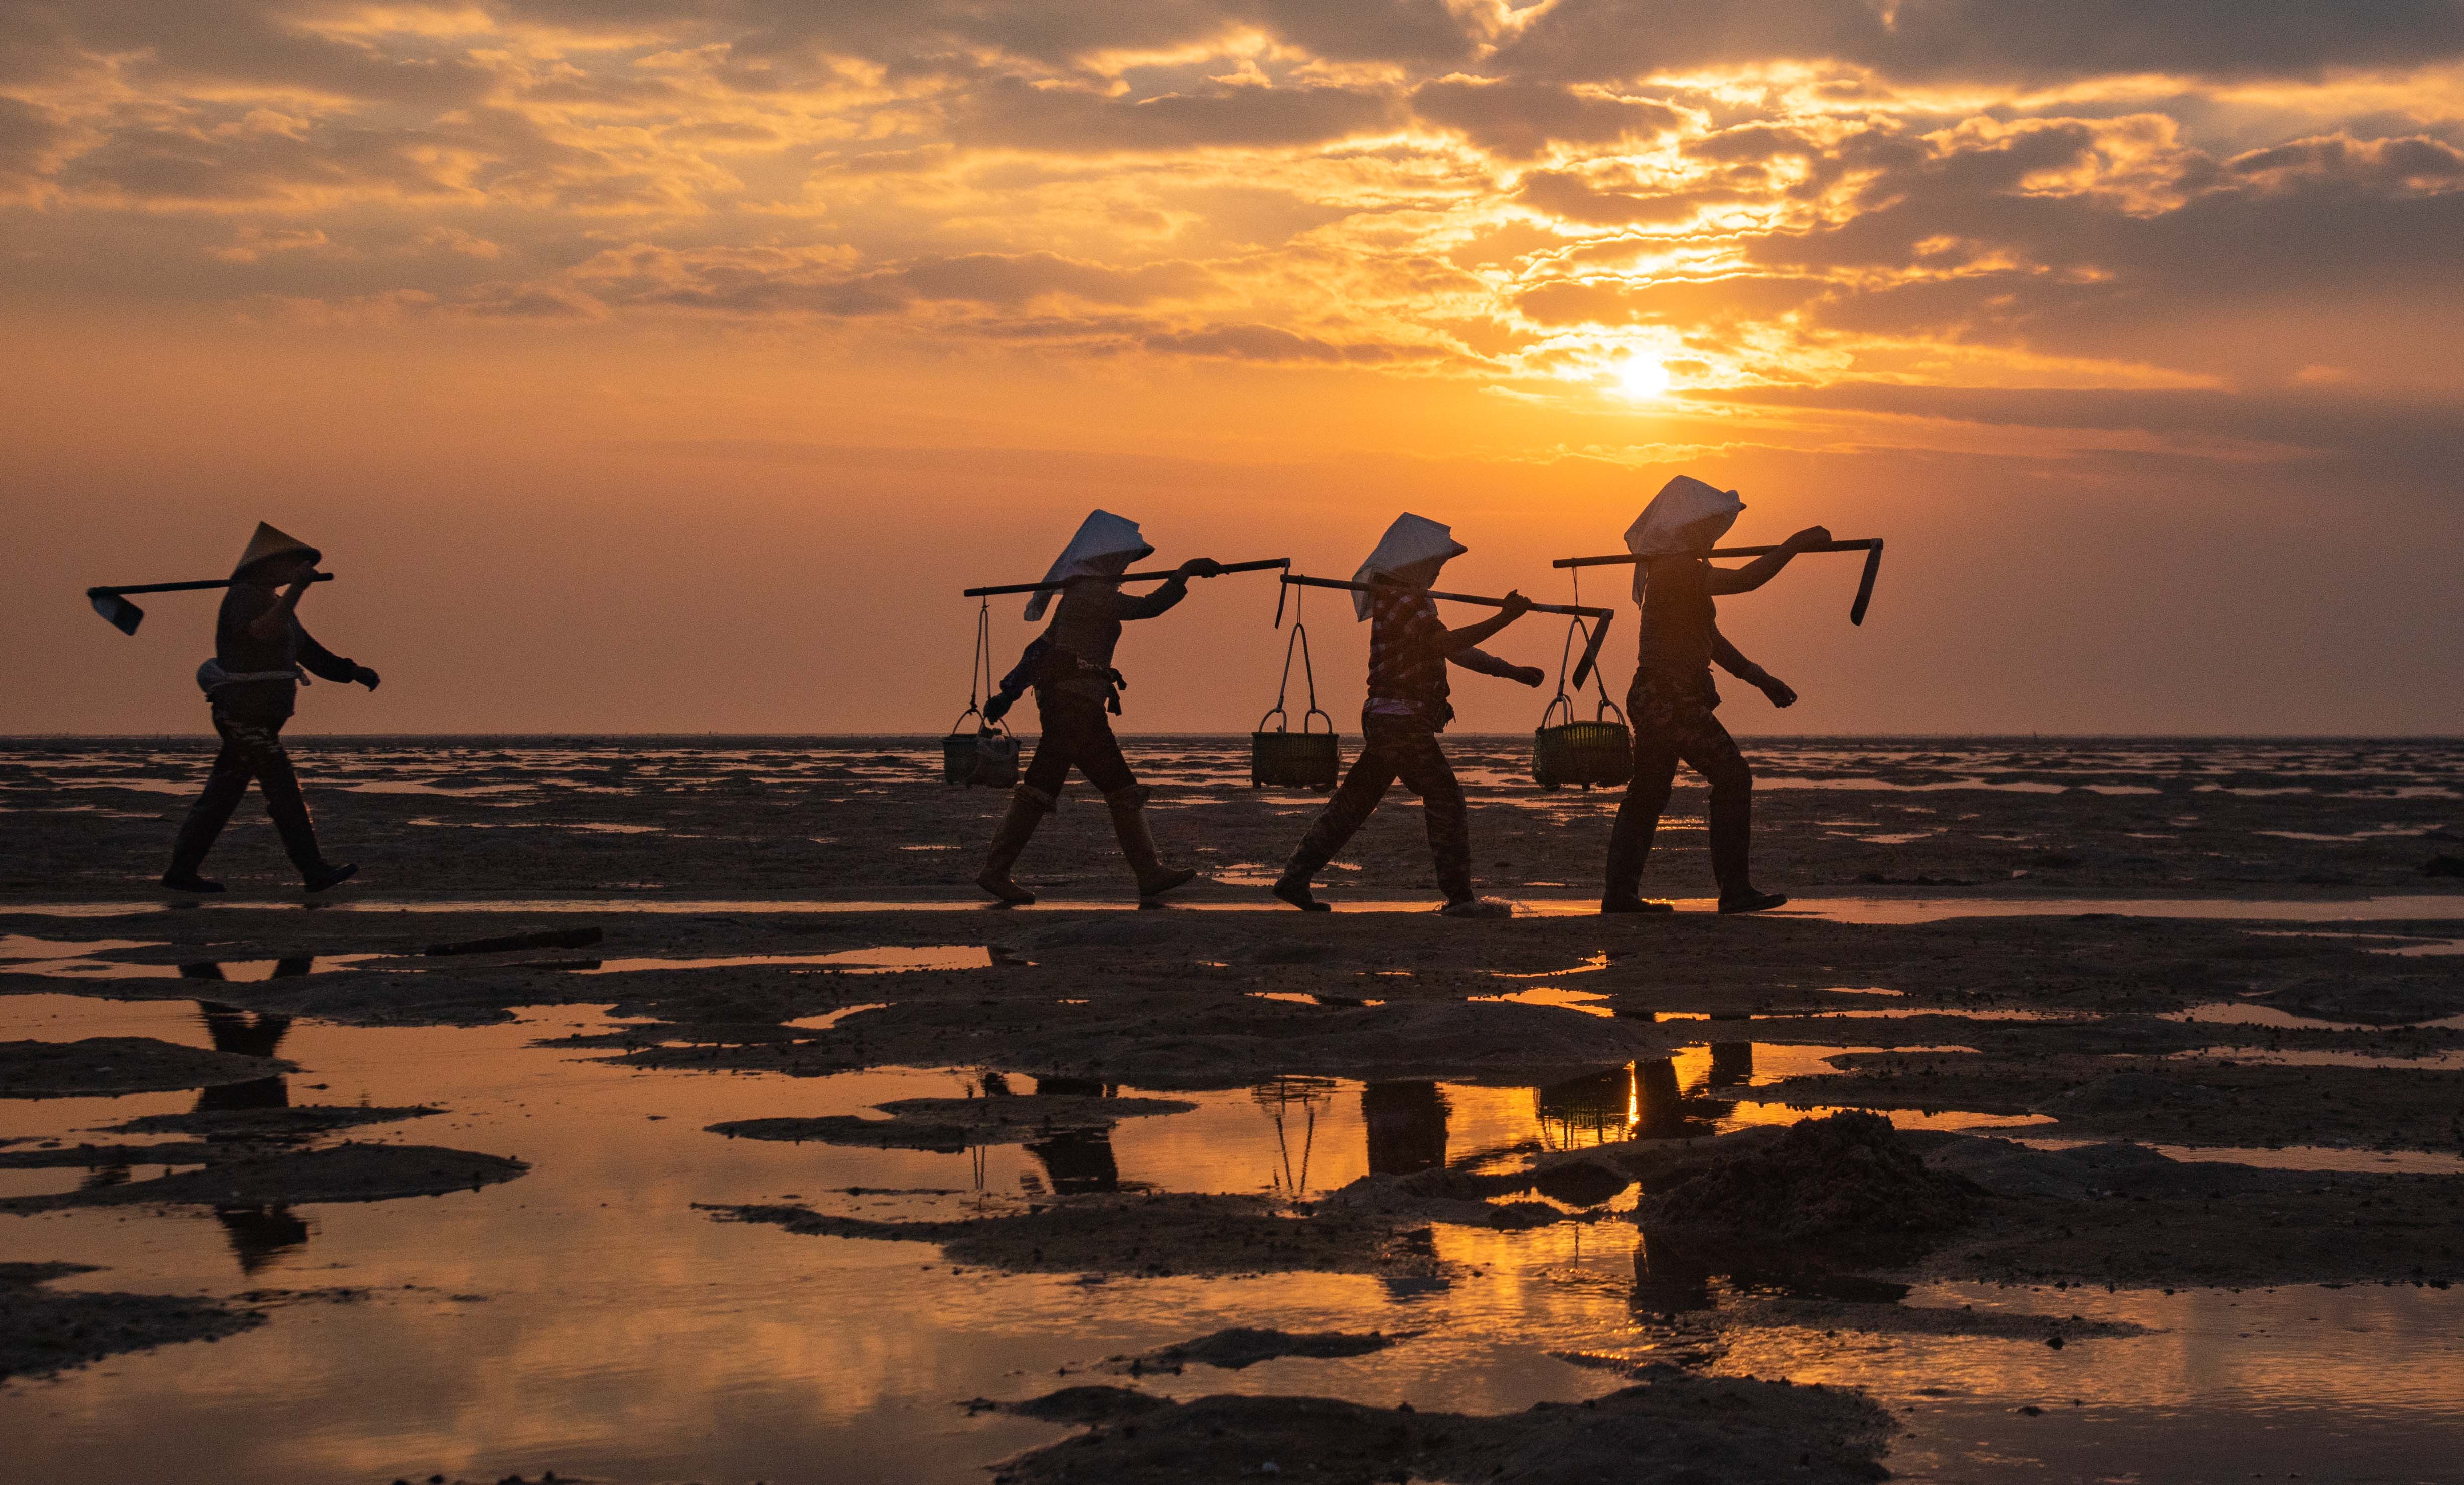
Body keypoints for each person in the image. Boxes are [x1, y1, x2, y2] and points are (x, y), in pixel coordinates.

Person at [1272, 514, 1543, 915]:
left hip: (1391, 720)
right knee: (1444, 797)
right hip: (1400, 720)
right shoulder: (1402, 601)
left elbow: (1451, 649)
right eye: (1435, 564)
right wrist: (1505, 617)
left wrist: (1511, 671)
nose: (1437, 571)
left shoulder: (1411, 600)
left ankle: (1295, 877)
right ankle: (1459, 896)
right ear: (1416, 563)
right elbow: (1449, 643)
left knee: (1355, 802)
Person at [1600, 476, 1828, 915]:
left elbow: (1712, 641)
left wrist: (1762, 680)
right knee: (1732, 776)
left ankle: (1620, 894)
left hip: (1656, 697)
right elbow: (1746, 580)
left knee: (1648, 791)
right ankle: (1734, 889)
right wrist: (1794, 544)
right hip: (1669, 697)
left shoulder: (1675, 569)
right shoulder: (1680, 569)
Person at [975, 510, 1225, 904]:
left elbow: (1040, 649)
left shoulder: (1081, 593)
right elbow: (1149, 607)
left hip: (1074, 703)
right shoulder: (1093, 594)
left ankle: (1148, 872)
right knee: (1075, 784)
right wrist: (1185, 572)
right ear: (1108, 559)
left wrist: (1010, 692)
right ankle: (997, 869)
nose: (1126, 567)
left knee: (1108, 785)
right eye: (1122, 560)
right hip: (1073, 704)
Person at [162, 522, 378, 894]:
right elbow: (264, 631)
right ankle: (313, 871)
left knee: (223, 795)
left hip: (259, 716)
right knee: (283, 791)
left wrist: (352, 672)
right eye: (291, 566)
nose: (297, 571)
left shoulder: (276, 604)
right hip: (244, 715)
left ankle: (182, 871)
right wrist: (296, 590)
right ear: (268, 565)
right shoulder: (245, 597)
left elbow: (308, 651)